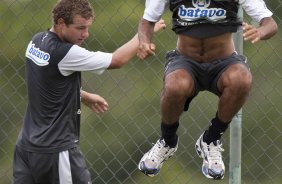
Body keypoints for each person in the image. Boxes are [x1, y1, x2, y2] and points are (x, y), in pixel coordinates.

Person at [12, 0, 166, 183]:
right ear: (61, 23)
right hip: (56, 150)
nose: (85, 34)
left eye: (87, 27)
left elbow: (47, 84)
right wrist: (144, 34)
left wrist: (82, 95)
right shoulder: (65, 53)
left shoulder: (36, 41)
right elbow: (117, 60)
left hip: (26, 147)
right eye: (80, 28)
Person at [137, 0, 277, 180]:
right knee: (175, 86)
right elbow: (147, 21)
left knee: (241, 79)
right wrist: (144, 42)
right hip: (185, 60)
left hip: (224, 62)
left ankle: (210, 139)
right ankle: (167, 141)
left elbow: (270, 23)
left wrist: (260, 31)